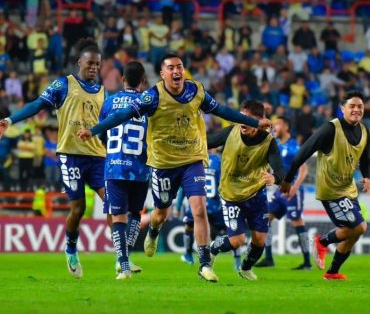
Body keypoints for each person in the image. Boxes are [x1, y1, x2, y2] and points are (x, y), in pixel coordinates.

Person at [77, 53, 272, 282]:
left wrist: (255, 122)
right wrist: (95, 130)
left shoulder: (196, 91)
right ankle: (154, 230)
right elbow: (123, 114)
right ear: (163, 74)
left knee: (198, 209)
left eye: (179, 66)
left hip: (192, 159)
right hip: (163, 164)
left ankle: (205, 263)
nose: (176, 71)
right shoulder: (152, 97)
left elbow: (221, 110)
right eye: (171, 68)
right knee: (160, 214)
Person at [0, 38, 106, 279]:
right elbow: (37, 104)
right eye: (90, 63)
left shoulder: (102, 91)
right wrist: (10, 120)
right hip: (71, 154)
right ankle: (70, 248)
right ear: (80, 61)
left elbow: (106, 123)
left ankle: (122, 257)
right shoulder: (63, 85)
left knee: (112, 202)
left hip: (98, 155)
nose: (93, 68)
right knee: (77, 208)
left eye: (97, 65)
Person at [280, 91, 370, 280]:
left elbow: (365, 158)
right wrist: (287, 179)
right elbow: (303, 152)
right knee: (360, 227)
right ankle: (322, 241)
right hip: (330, 190)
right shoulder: (330, 129)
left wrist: (367, 176)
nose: (356, 110)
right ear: (342, 108)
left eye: (359, 106)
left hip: (348, 188)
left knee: (353, 234)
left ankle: (332, 272)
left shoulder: (364, 130)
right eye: (352, 106)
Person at [207, 100, 285, 280]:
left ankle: (245, 268)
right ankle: (213, 248)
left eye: (249, 119)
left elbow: (279, 169)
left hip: (256, 195)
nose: (243, 121)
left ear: (259, 122)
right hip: (231, 195)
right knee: (237, 240)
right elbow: (207, 141)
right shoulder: (230, 133)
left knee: (260, 240)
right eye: (242, 116)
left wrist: (274, 178)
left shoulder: (268, 142)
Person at [100, 61, 150, 280]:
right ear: (143, 80)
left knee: (117, 216)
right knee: (135, 214)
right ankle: (127, 258)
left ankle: (123, 264)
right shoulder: (148, 103)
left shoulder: (109, 103)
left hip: (115, 168)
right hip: (140, 168)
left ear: (123, 78)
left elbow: (102, 134)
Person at [256, 117, 311, 270]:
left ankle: (307, 262)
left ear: (286, 127)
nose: (275, 126)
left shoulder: (294, 146)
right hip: (279, 191)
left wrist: (294, 188)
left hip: (292, 190)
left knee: (297, 222)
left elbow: (304, 169)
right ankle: (268, 258)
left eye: (278, 123)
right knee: (266, 219)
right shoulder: (276, 144)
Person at [175, 149, 241, 270]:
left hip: (199, 203)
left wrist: (178, 206)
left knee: (189, 226)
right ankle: (237, 261)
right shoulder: (220, 162)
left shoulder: (195, 161)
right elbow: (225, 183)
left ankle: (188, 255)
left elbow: (183, 187)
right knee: (232, 231)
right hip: (215, 206)